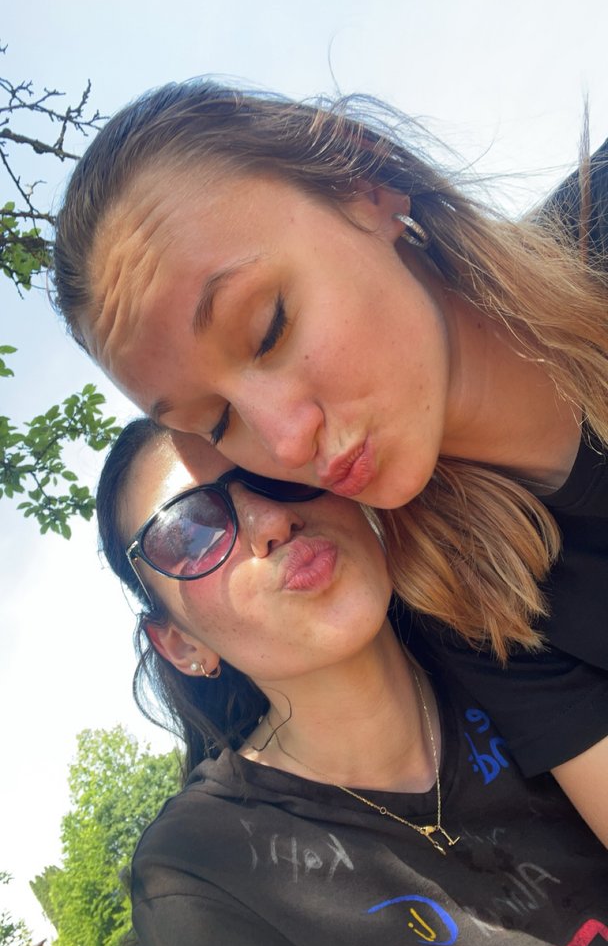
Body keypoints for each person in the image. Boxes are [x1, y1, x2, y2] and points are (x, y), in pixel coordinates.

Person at [52, 80, 608, 842]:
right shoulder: (470, 593)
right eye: (217, 424)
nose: (285, 444)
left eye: (269, 328)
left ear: (365, 185)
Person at [97, 416, 607, 946]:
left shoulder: (512, 625)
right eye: (190, 533)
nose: (272, 521)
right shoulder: (202, 872)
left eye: (272, 472)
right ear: (180, 645)